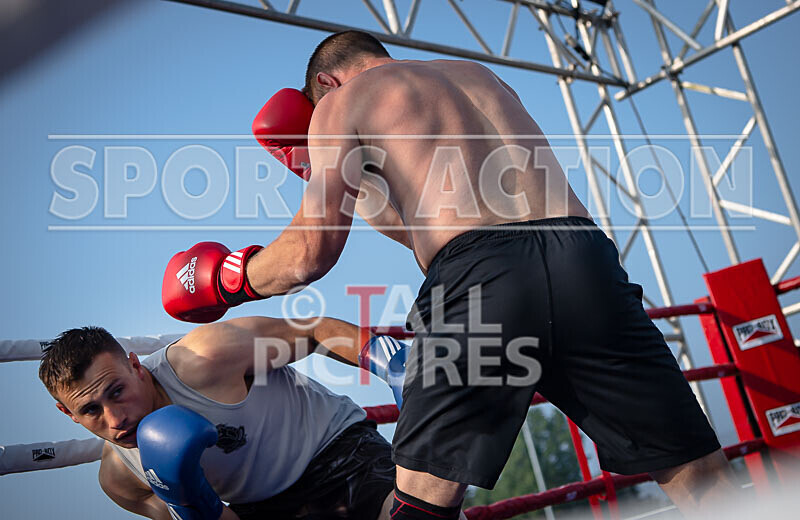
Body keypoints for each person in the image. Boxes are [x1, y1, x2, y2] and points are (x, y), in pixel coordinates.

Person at [162, 31, 740, 519]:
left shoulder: (339, 105)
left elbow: (307, 255)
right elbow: (421, 222)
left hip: (482, 277)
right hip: (583, 258)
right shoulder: (475, 75)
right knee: (695, 471)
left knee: (420, 502)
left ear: (326, 85)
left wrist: (227, 279)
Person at [38, 315, 407, 520]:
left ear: (135, 366)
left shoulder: (203, 358)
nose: (115, 418)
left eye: (116, 391)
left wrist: (392, 365)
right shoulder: (123, 479)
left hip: (337, 454)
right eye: (90, 410)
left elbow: (312, 331)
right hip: (264, 510)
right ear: (68, 414)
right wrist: (194, 506)